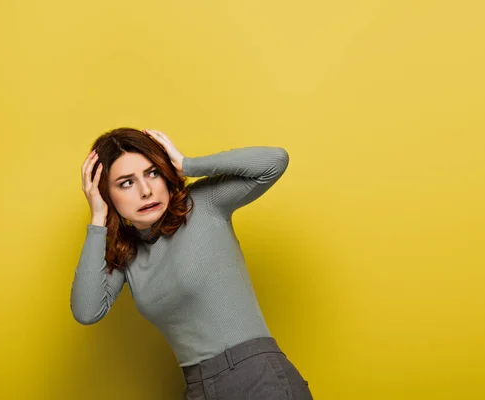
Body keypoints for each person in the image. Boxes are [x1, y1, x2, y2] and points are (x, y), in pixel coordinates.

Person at [71, 127, 313, 400]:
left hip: (256, 378)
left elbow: (275, 162)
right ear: (106, 194)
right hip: (198, 387)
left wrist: (187, 165)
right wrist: (97, 219)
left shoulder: (201, 204)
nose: (146, 190)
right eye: (126, 182)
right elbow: (87, 311)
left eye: (153, 173)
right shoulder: (128, 255)